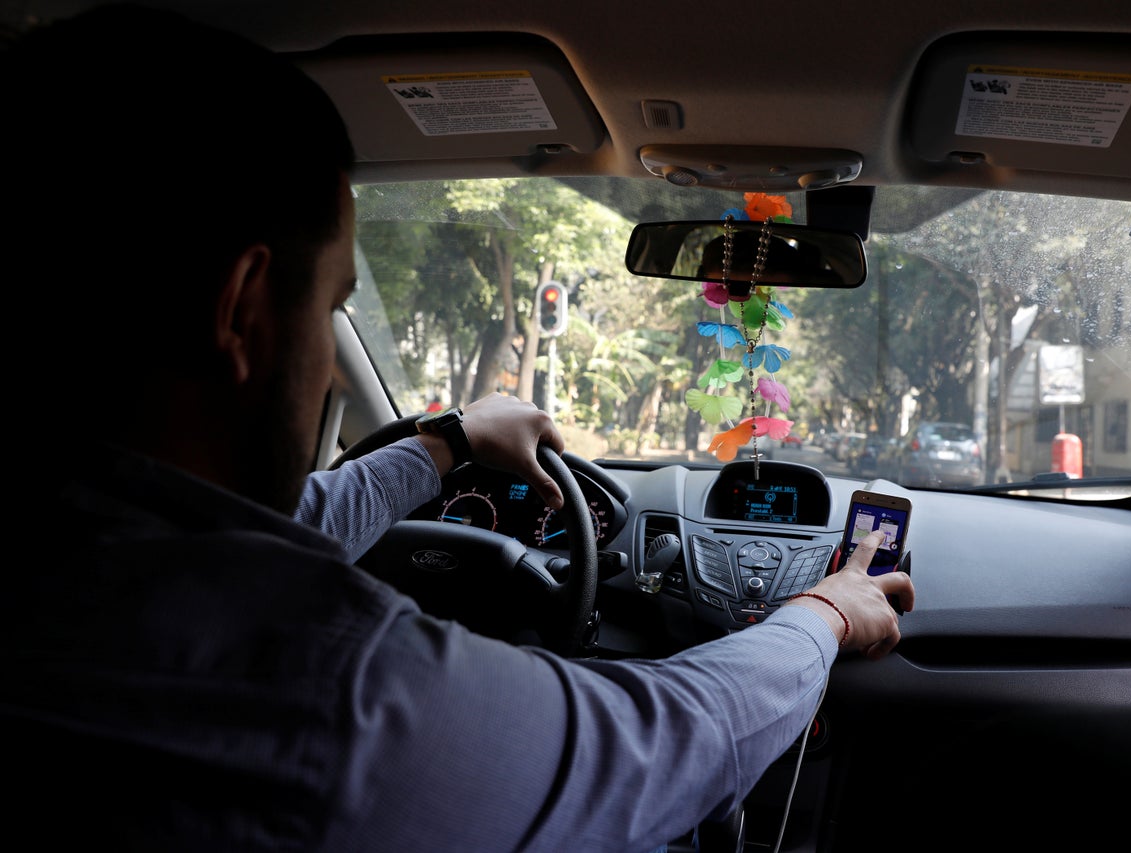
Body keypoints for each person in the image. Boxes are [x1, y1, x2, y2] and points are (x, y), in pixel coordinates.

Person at [2, 5, 916, 852]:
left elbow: (299, 520)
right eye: (331, 309)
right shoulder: (324, 683)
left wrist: (446, 440)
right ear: (243, 308)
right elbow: (660, 744)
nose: (327, 353)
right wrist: (826, 610)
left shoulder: (86, 559)